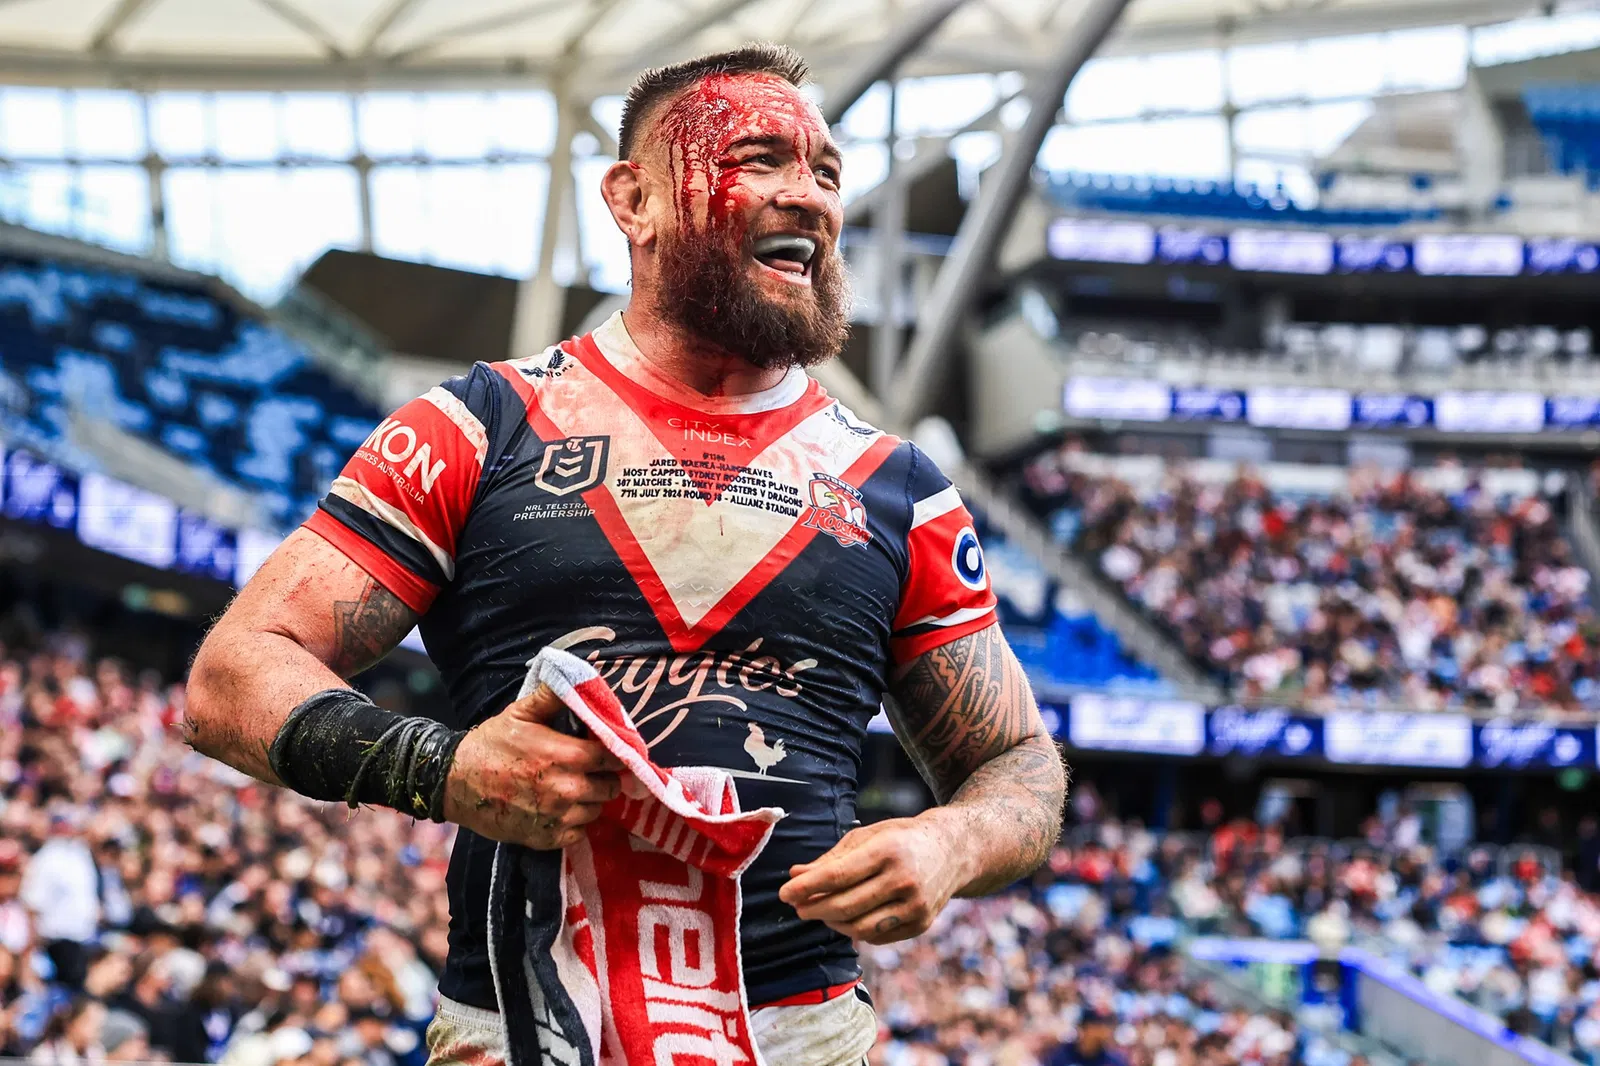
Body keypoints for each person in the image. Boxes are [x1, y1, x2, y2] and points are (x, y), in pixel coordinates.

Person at [184, 43, 1065, 1066]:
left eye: (825, 172)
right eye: (762, 157)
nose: (812, 197)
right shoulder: (478, 425)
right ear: (633, 198)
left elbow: (1017, 764)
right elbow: (230, 674)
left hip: (810, 1036)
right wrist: (447, 766)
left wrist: (948, 843)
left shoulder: (900, 489)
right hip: (517, 1030)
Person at [1044, 1009, 1126, 1066]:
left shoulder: (1113, 1061)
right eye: (1098, 1026)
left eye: (1106, 1026)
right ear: (1085, 1028)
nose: (1105, 1032)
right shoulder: (1063, 1054)